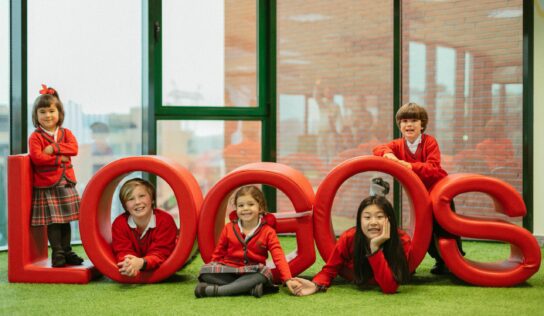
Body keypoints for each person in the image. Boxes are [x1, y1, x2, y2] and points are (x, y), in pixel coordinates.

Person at [372, 102, 463, 275]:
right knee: (424, 232)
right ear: (400, 125)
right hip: (419, 197)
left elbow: (433, 168)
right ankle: (431, 259)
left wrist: (409, 165)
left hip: (438, 194)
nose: (409, 124)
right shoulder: (398, 145)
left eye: (414, 120)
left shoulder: (429, 142)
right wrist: (388, 154)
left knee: (445, 228)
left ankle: (454, 261)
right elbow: (377, 148)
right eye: (405, 121)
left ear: (422, 124)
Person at [293, 195, 411, 295]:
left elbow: (389, 287)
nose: (373, 222)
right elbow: (330, 270)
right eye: (367, 217)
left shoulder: (402, 240)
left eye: (380, 217)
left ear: (389, 220)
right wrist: (315, 285)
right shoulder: (349, 238)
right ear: (360, 221)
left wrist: (375, 248)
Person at [195, 185, 299, 298]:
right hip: (230, 269)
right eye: (241, 205)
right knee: (205, 271)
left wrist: (288, 279)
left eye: (251, 204)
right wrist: (213, 266)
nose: (245, 208)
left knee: (264, 273)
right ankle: (249, 288)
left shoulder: (268, 231)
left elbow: (278, 256)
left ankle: (218, 291)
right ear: (236, 208)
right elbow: (219, 252)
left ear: (260, 207)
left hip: (253, 271)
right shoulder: (229, 228)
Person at [29, 84, 85, 267]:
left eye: (51, 111)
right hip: (47, 185)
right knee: (54, 222)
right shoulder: (35, 137)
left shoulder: (66, 133)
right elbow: (37, 158)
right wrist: (60, 159)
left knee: (66, 219)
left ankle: (68, 251)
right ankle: (57, 253)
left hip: (66, 183)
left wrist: (54, 148)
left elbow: (74, 148)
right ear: (36, 116)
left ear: (59, 113)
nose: (47, 115)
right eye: (42, 112)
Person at [111, 178, 177, 277]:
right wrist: (128, 264)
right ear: (125, 205)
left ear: (152, 199)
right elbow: (122, 251)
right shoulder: (119, 224)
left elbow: (161, 253)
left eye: (142, 196)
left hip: (164, 258)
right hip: (137, 260)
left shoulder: (165, 220)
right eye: (130, 199)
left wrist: (142, 262)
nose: (137, 202)